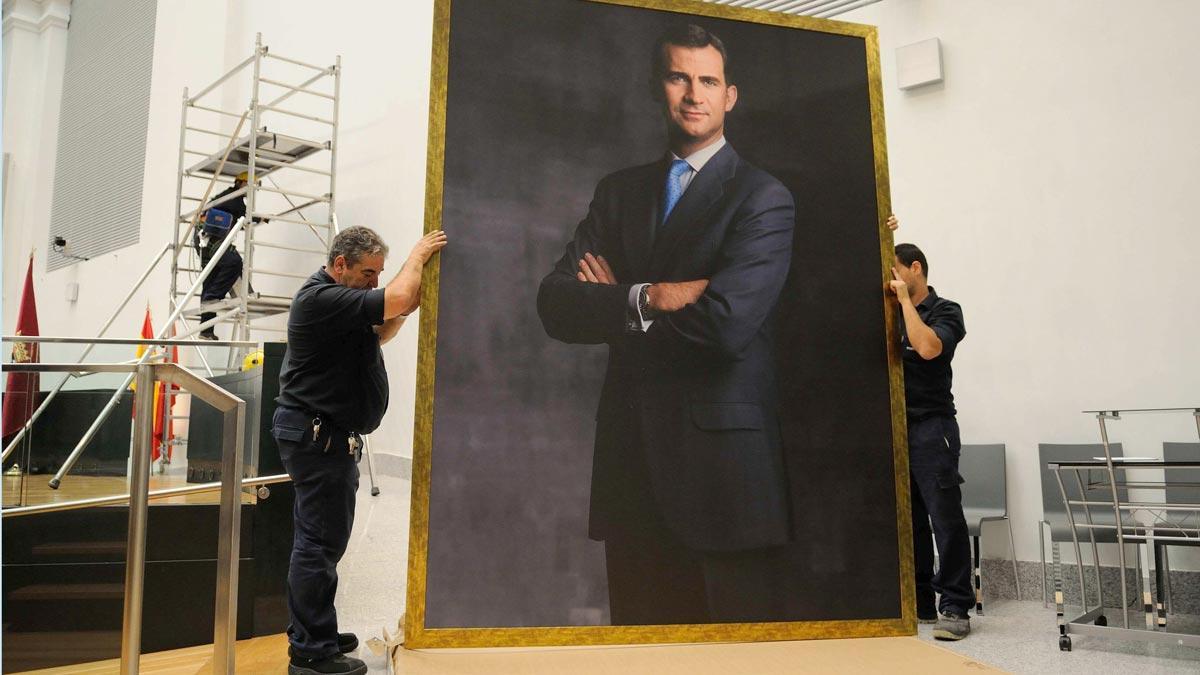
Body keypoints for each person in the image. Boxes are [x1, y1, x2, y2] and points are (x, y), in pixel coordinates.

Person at [536, 24, 795, 624]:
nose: (693, 94)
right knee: (638, 650)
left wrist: (616, 310)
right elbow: (554, 302)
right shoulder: (619, 192)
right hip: (630, 465)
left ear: (730, 95)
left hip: (721, 476)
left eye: (709, 80)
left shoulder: (763, 197)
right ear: (661, 87)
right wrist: (651, 296)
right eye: (680, 76)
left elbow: (727, 327)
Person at [272, 226, 447, 675]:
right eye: (368, 272)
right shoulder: (319, 299)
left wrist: (405, 307)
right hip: (316, 438)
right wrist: (418, 255)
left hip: (323, 437)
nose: (373, 281)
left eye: (379, 273)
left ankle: (318, 632)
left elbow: (379, 331)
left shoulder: (337, 302)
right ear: (340, 265)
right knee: (316, 546)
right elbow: (395, 298)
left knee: (322, 543)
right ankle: (311, 653)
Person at [887, 240, 972, 640]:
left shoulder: (945, 310)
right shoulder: (886, 312)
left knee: (945, 518)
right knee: (910, 520)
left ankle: (955, 606)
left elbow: (927, 347)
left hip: (931, 427)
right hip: (894, 428)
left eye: (895, 271)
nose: (890, 280)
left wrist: (905, 302)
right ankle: (919, 601)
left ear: (914, 269)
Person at [196, 171, 266, 340]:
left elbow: (238, 219)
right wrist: (262, 219)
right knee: (234, 262)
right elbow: (245, 215)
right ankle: (217, 297)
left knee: (212, 277)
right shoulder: (233, 198)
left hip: (206, 241)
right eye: (250, 186)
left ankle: (206, 330)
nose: (251, 190)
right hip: (212, 240)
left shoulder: (228, 198)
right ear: (241, 183)